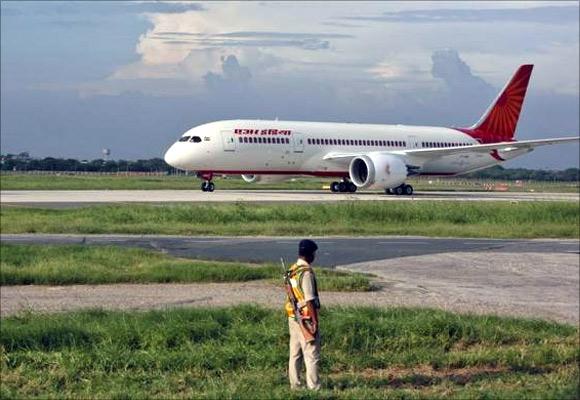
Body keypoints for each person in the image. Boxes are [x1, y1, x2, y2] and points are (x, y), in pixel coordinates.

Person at [285, 239, 321, 390]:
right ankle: (314, 387)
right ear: (310, 254)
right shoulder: (305, 273)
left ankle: (295, 385)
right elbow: (309, 300)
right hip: (305, 318)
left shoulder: (292, 270)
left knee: (295, 353)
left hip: (293, 317)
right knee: (311, 354)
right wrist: (314, 321)